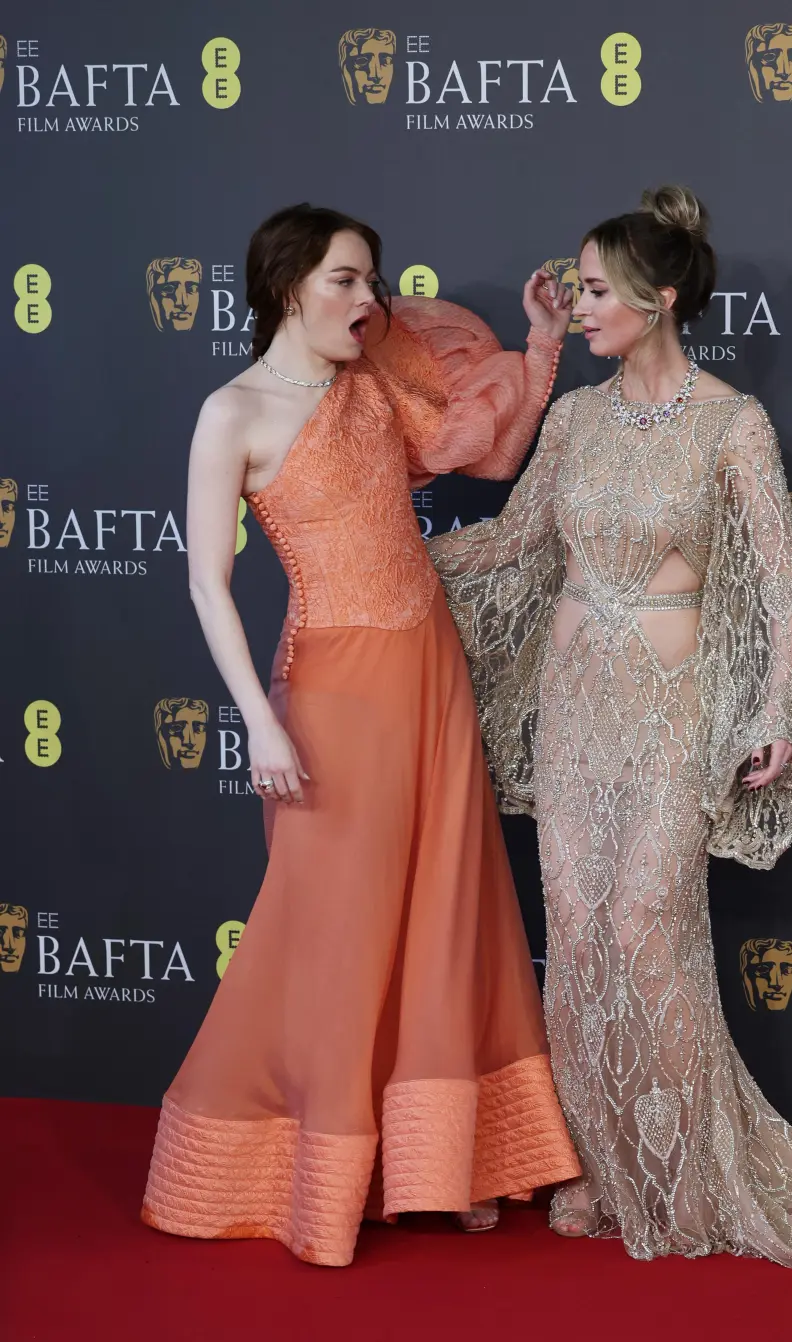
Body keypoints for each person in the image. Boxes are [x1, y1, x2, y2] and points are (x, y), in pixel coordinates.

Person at [429, 185, 792, 1268]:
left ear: (659, 296)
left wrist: (777, 703)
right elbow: (509, 547)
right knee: (578, 935)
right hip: (577, 710)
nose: (580, 307)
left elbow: (782, 584)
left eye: (595, 291)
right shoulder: (577, 420)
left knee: (646, 925)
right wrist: (387, 562)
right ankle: (589, 1166)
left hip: (673, 713)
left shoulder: (732, 422)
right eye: (578, 290)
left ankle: (682, 1167)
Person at [141, 203, 580, 1267]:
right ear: (290, 283)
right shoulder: (230, 412)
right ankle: (313, 1167)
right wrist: (256, 721)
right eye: (345, 280)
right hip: (334, 687)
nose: (368, 301)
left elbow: (482, 450)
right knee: (334, 926)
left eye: (373, 282)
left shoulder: (378, 384)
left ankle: (444, 1164)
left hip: (430, 665)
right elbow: (207, 578)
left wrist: (540, 345)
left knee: (449, 906)